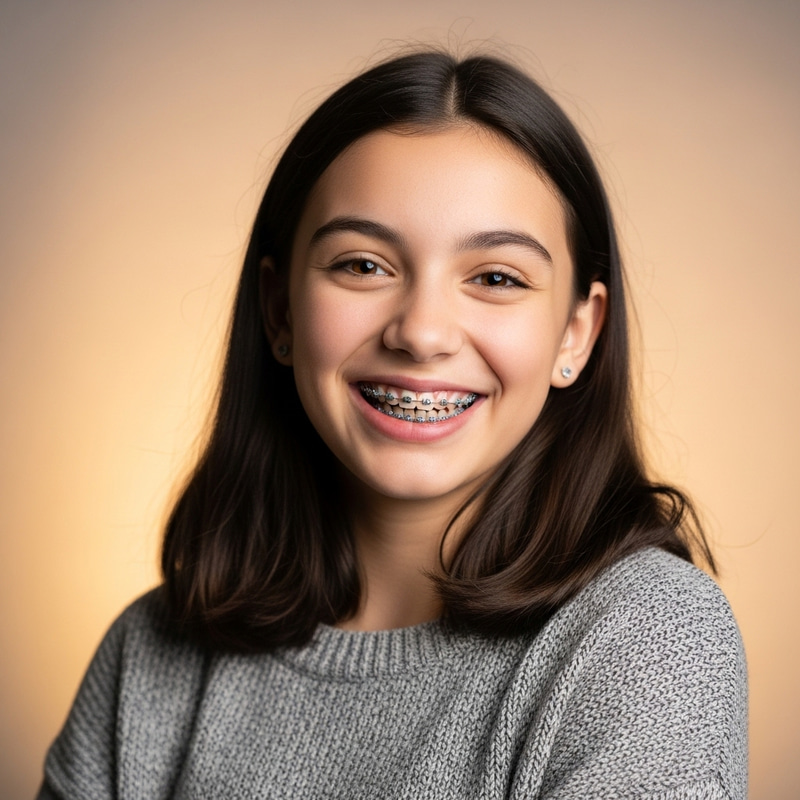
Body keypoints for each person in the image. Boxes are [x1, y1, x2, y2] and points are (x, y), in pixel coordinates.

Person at [38, 49, 747, 799]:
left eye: (496, 278)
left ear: (577, 334)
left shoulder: (649, 638)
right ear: (280, 312)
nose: (421, 332)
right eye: (363, 265)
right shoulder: (149, 652)